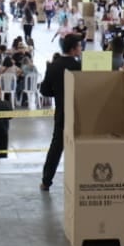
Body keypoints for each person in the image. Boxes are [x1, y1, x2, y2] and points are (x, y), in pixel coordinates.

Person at [39, 33, 84, 192]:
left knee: (56, 148)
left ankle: (46, 181)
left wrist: (57, 93)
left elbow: (44, 90)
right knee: (81, 147)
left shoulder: (54, 66)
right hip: (80, 113)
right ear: (73, 49)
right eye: (79, 46)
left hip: (62, 113)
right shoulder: (79, 67)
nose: (80, 48)